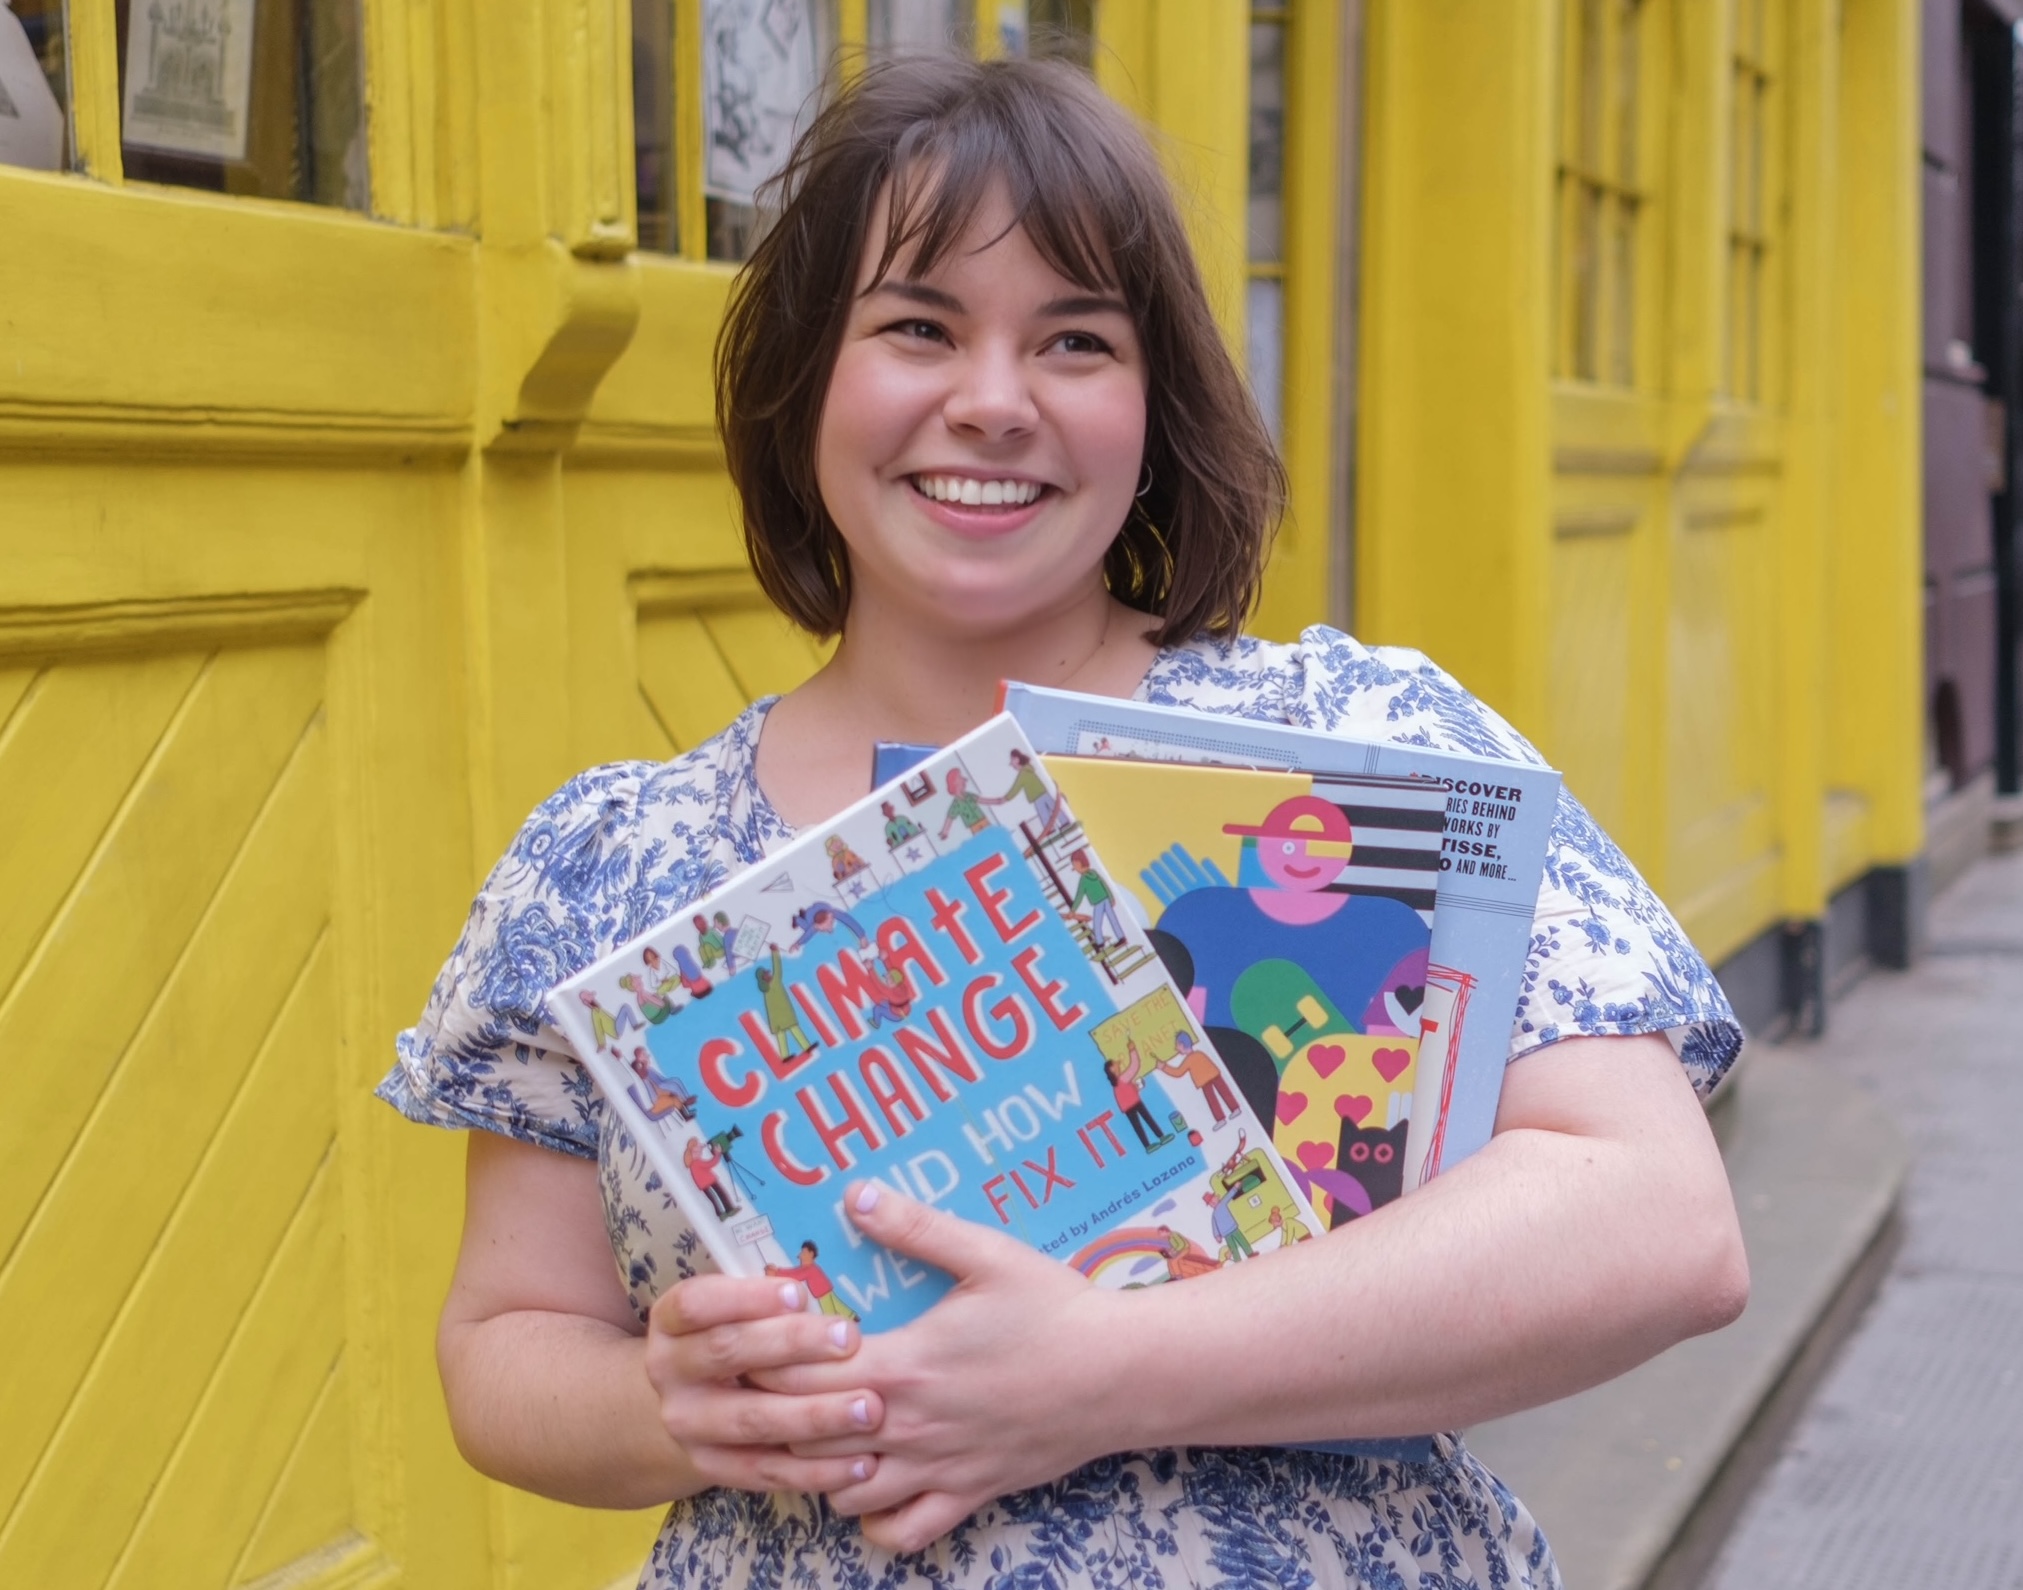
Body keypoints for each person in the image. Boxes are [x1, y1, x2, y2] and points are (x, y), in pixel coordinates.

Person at [380, 55, 1746, 1589]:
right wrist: (665, 1402)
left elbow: (1662, 1221)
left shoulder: (1354, 753)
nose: (992, 401)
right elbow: (504, 1346)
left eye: (1075, 340)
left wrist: (1104, 1366)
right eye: (916, 326)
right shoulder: (614, 860)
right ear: (801, 381)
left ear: (1154, 406)